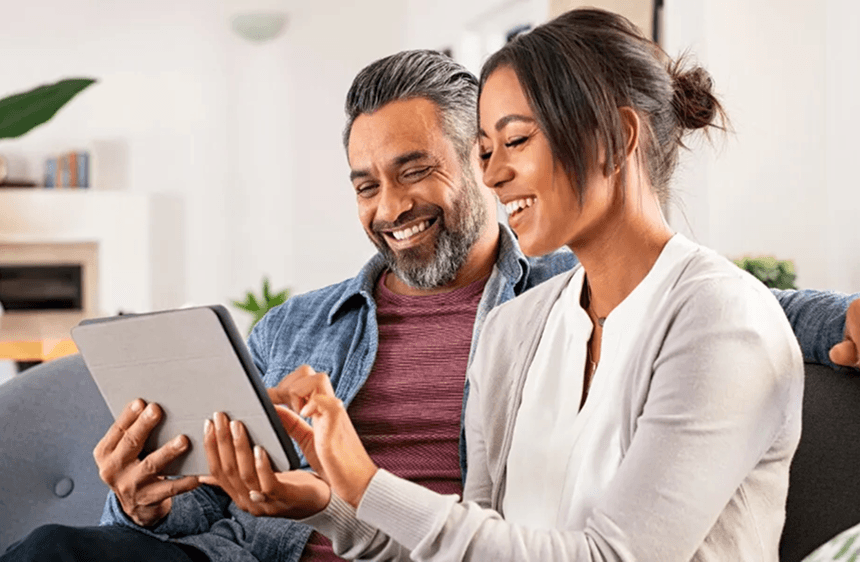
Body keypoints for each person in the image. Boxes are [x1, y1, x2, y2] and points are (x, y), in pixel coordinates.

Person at [3, 43, 858, 562]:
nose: (391, 207)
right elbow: (212, 505)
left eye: (416, 169)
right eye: (366, 184)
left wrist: (841, 319)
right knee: (58, 553)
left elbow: (715, 303)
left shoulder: (552, 299)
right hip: (276, 553)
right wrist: (143, 494)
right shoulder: (298, 327)